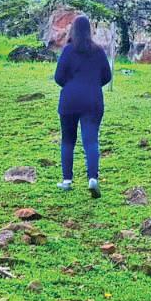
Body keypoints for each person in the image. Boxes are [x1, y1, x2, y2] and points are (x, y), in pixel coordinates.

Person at [52, 13, 111, 195]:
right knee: (91, 140)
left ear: (73, 30)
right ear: (89, 31)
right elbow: (107, 76)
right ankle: (92, 178)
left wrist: (71, 85)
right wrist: (92, 84)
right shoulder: (98, 51)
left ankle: (67, 180)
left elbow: (58, 77)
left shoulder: (68, 51)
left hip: (70, 100)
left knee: (68, 140)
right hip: (93, 100)